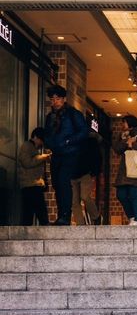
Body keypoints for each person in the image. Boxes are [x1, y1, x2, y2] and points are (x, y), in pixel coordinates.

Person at [44, 85, 88, 225]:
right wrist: (49, 143)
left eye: (57, 98)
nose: (55, 102)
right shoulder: (50, 117)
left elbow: (84, 132)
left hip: (71, 153)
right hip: (56, 154)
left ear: (64, 99)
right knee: (57, 184)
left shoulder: (73, 114)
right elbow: (47, 134)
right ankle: (61, 215)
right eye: (52, 99)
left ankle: (65, 216)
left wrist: (69, 141)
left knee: (63, 182)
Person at [17, 127, 51, 226]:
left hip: (32, 184)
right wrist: (42, 157)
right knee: (39, 211)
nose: (41, 143)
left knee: (29, 213)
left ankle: (27, 231)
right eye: (40, 140)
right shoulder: (27, 146)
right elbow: (27, 162)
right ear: (35, 137)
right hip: (30, 184)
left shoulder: (32, 148)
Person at [71, 130, 102, 225]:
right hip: (72, 173)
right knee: (74, 202)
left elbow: (97, 157)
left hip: (85, 173)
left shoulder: (91, 140)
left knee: (84, 196)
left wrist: (94, 172)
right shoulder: (71, 138)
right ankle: (80, 225)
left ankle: (96, 216)